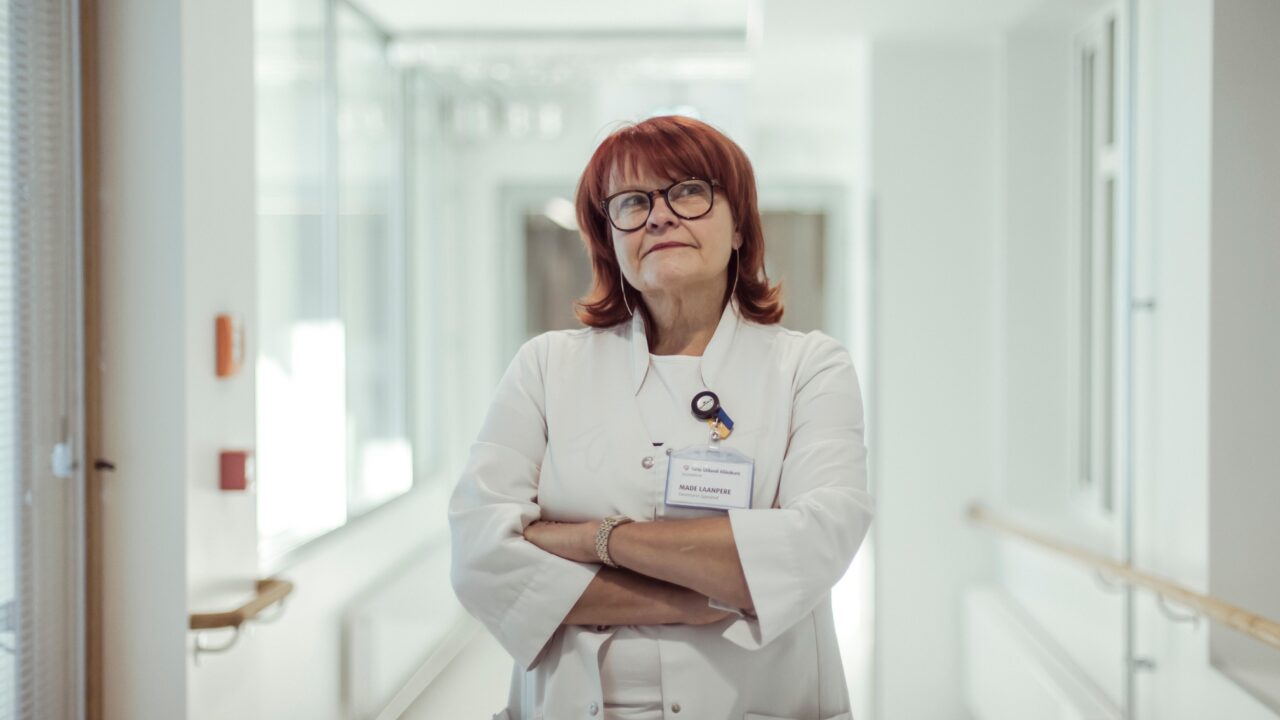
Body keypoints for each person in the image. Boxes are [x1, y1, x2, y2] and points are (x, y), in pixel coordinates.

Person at [449, 114, 874, 720]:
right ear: (609, 238)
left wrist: (590, 539)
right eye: (632, 201)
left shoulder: (809, 368)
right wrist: (695, 596)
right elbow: (480, 558)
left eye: (689, 192)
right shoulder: (545, 367)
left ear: (739, 226)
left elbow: (814, 544)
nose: (659, 216)